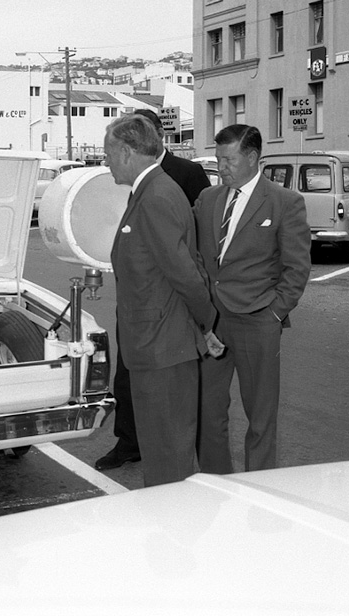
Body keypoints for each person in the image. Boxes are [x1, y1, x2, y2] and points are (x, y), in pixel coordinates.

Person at [104, 114, 220, 486]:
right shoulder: (149, 191)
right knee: (162, 453)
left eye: (108, 153)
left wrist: (207, 325)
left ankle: (177, 534)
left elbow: (187, 273)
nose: (105, 162)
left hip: (162, 348)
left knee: (169, 458)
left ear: (126, 152)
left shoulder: (155, 195)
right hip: (155, 346)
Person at [194, 124, 311, 473]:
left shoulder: (284, 202)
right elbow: (198, 259)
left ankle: (260, 487)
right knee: (208, 410)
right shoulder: (208, 199)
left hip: (257, 320)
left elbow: (297, 267)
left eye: (228, 160)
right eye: (218, 160)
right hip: (212, 323)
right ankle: (218, 481)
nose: (222, 168)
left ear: (252, 157)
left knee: (260, 416)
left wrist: (273, 314)